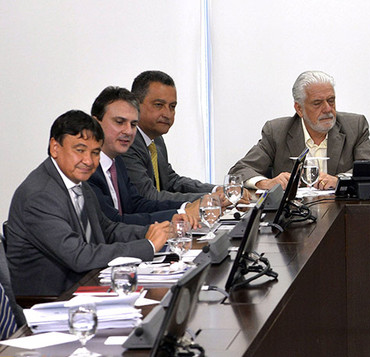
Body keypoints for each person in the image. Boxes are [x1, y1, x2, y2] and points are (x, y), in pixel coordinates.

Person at [6, 111, 171, 296]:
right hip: (53, 300)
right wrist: (147, 246)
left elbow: (107, 230)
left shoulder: (79, 183)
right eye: (80, 150)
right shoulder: (39, 195)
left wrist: (153, 232)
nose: (89, 161)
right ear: (55, 147)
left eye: (95, 152)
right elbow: (79, 256)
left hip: (88, 284)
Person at [228, 70, 370, 190]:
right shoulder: (276, 131)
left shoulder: (355, 125)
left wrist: (340, 180)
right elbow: (240, 170)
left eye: (331, 100)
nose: (327, 109)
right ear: (299, 108)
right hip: (294, 218)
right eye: (317, 103)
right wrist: (266, 183)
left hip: (342, 214)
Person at [86, 86, 206, 226]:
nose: (128, 131)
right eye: (120, 122)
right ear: (95, 123)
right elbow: (113, 223)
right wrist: (178, 215)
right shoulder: (86, 169)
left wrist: (184, 208)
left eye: (133, 124)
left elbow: (136, 204)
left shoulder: (116, 161)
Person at [121, 70, 217, 201]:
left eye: (172, 106)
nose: (167, 114)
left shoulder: (156, 140)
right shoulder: (127, 143)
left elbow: (171, 181)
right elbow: (148, 196)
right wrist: (209, 199)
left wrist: (215, 190)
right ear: (135, 105)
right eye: (159, 105)